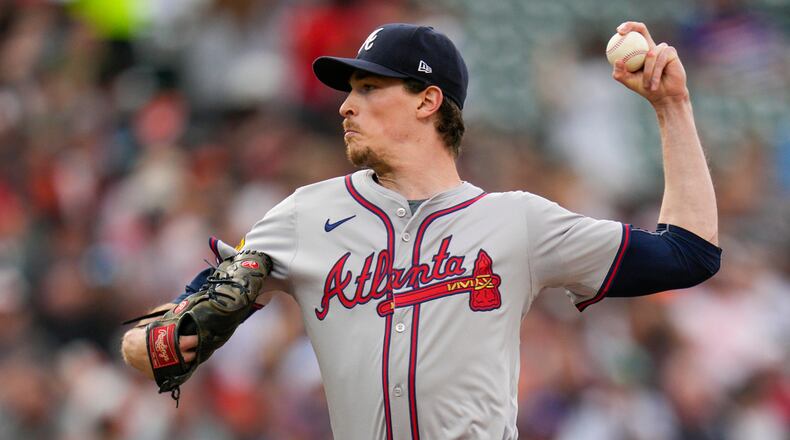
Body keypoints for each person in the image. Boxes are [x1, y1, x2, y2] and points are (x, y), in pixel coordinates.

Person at [122, 21, 721, 439]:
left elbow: (688, 254)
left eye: (368, 88)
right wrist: (157, 342)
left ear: (428, 100)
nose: (344, 106)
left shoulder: (517, 221)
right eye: (349, 90)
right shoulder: (303, 216)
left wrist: (672, 109)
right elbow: (167, 336)